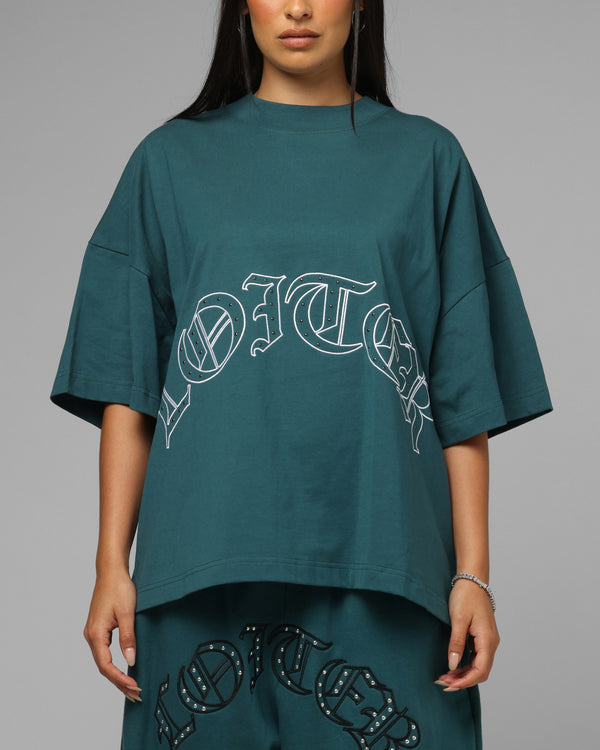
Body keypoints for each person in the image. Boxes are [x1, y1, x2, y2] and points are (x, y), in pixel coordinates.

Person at [49, 2, 553, 748]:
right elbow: (131, 388)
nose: (297, 7)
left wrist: (473, 575)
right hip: (200, 560)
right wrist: (108, 568)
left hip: (386, 560)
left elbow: (461, 391)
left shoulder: (427, 159)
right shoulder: (168, 161)